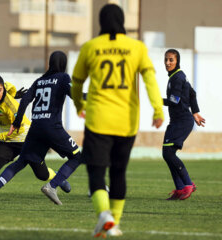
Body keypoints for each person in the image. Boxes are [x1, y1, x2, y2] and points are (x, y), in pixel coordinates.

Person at [71, 4, 164, 237]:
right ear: (123, 22)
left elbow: (77, 81)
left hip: (98, 120)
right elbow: (150, 80)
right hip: (127, 121)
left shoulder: (91, 47)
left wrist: (78, 104)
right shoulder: (137, 48)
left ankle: (104, 215)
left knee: (96, 171)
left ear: (101, 22)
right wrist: (157, 110)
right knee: (119, 173)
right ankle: (113, 224)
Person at [0, 51, 80, 205]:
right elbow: (75, 94)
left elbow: (25, 100)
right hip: (52, 127)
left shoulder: (40, 80)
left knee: (20, 162)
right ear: (63, 64)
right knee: (77, 157)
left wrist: (17, 122)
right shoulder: (63, 77)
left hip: (35, 128)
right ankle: (52, 186)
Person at [162, 49, 205, 200]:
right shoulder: (177, 76)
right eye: (166, 59)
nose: (167, 63)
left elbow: (175, 100)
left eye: (171, 60)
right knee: (167, 154)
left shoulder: (177, 77)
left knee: (168, 153)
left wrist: (157, 101)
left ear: (177, 61)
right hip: (177, 121)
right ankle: (180, 188)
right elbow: (192, 94)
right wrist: (195, 112)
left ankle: (187, 184)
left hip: (181, 121)